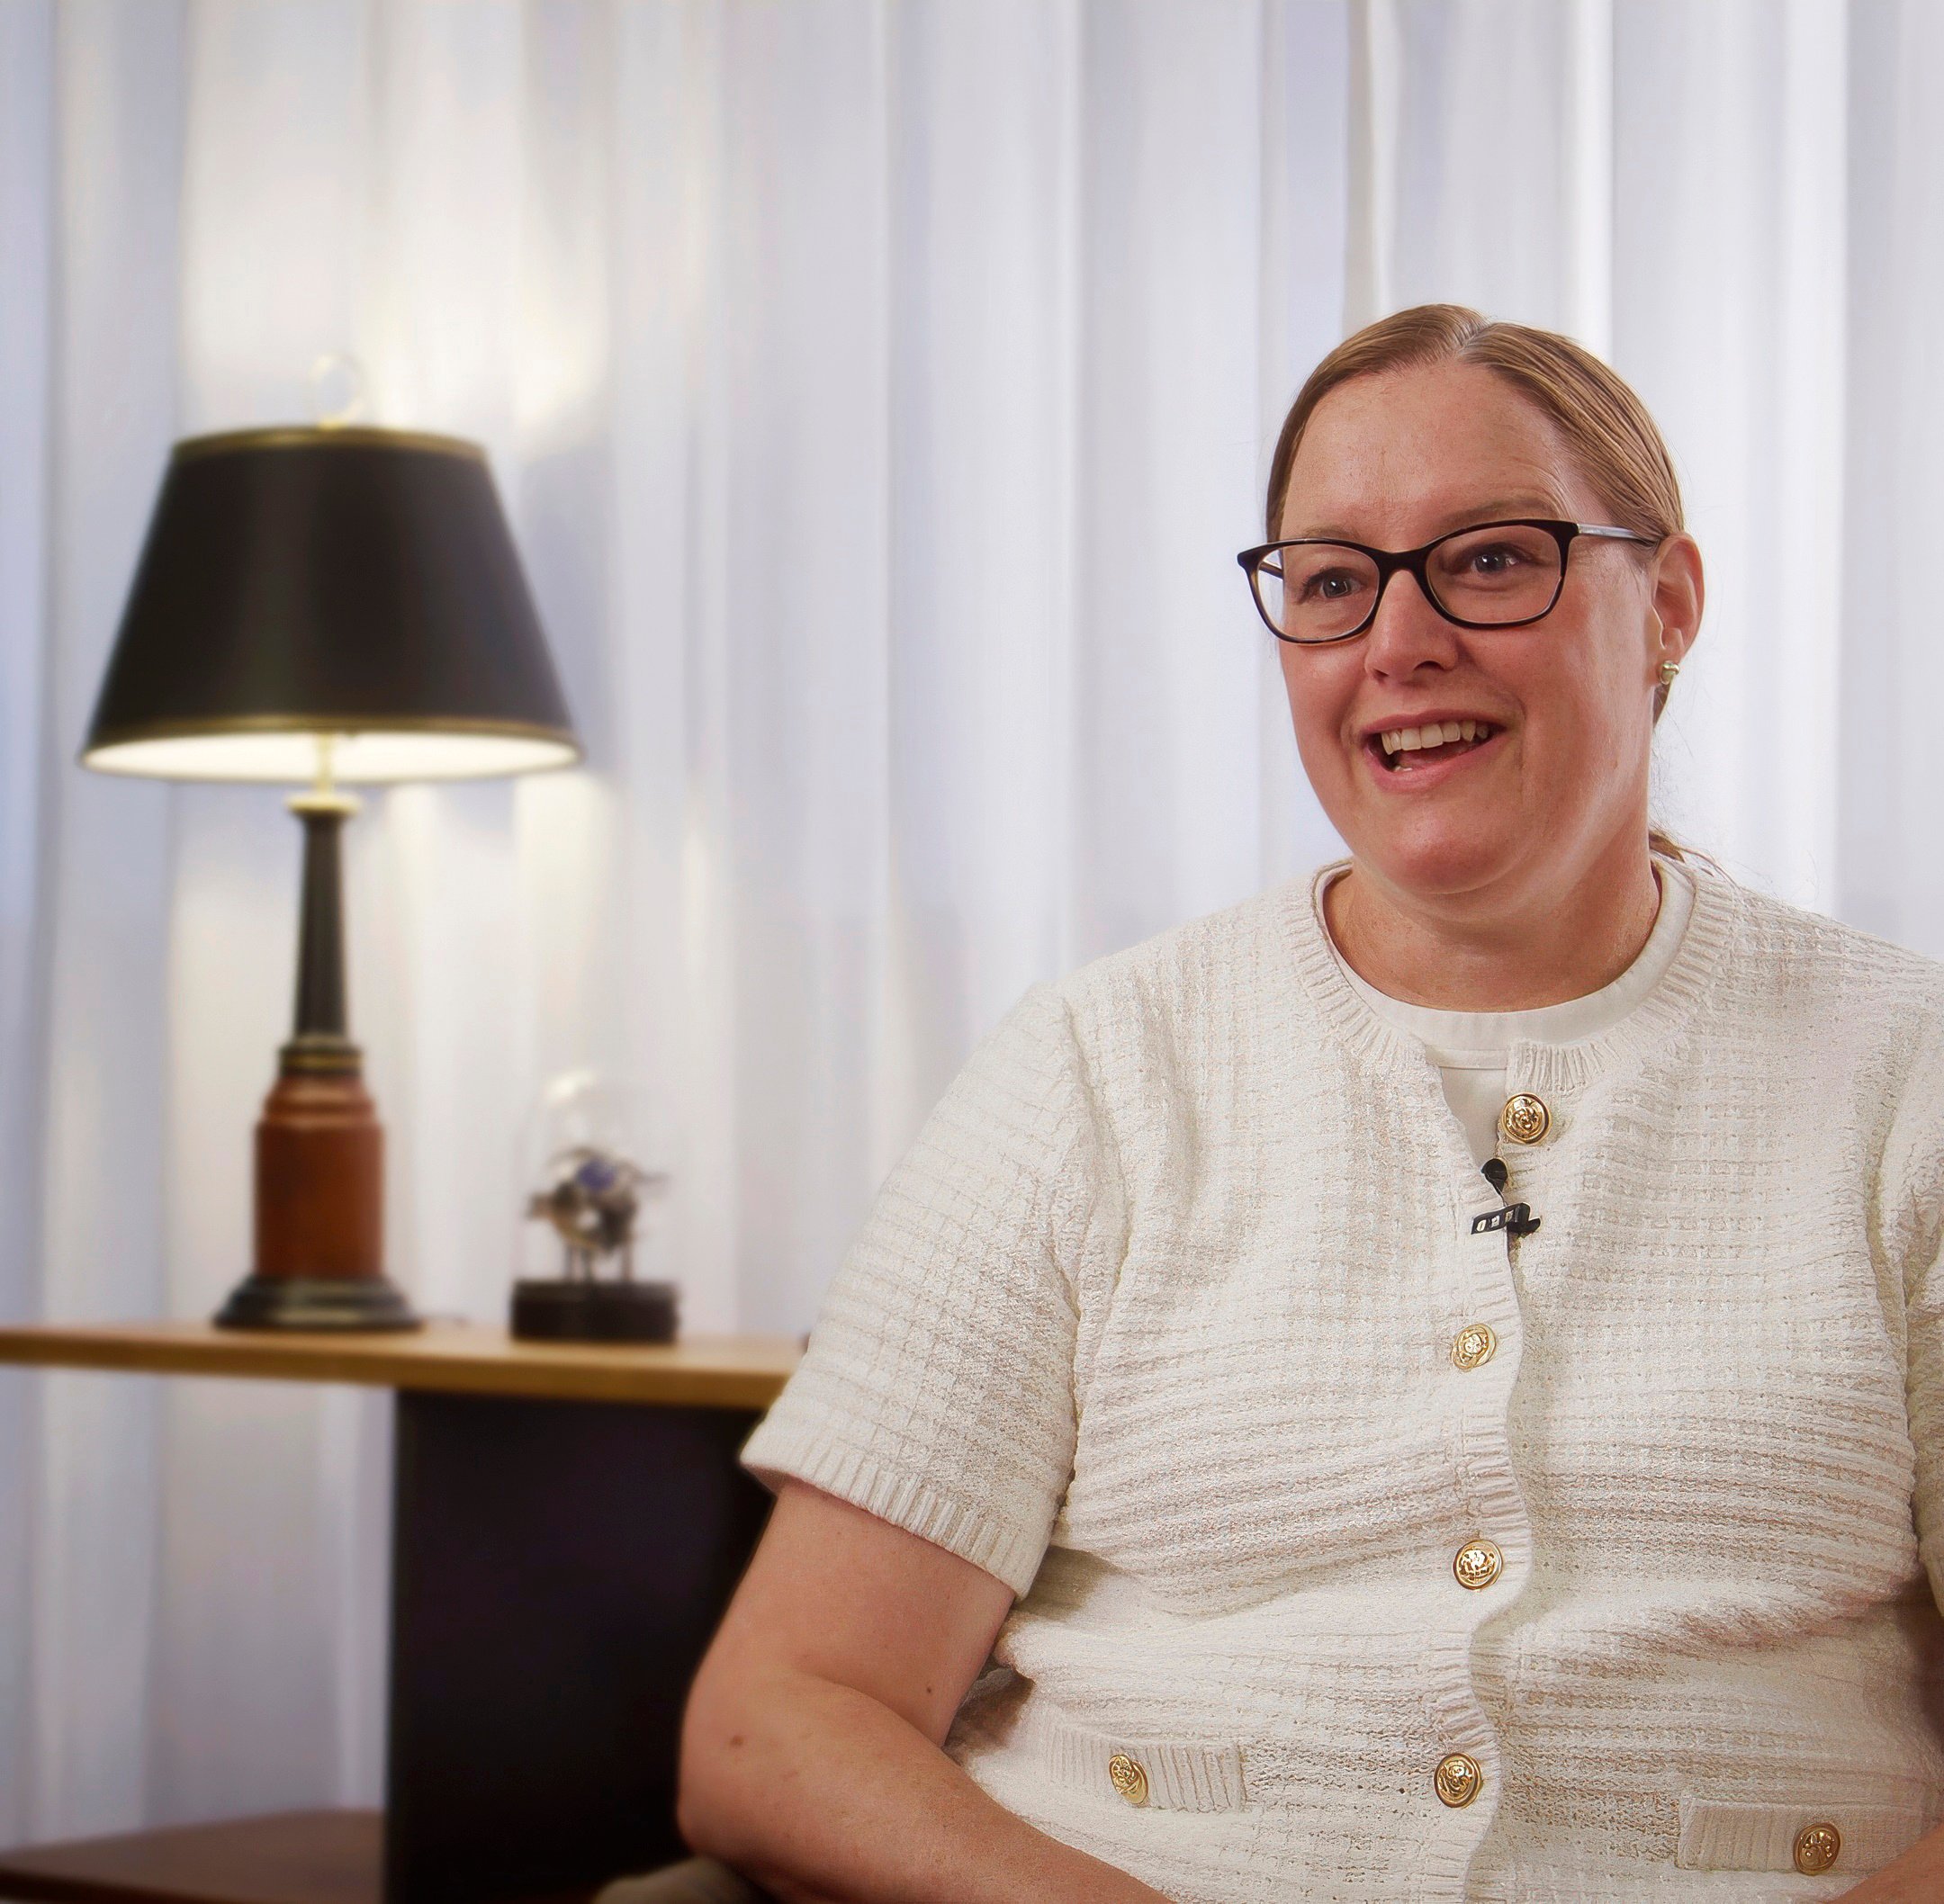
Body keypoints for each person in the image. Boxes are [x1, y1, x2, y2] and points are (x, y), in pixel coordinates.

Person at [653, 306, 1944, 1902]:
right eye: (1333, 583)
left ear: (1667, 603)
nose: (1399, 642)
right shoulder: (1093, 1072)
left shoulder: (1909, 1081)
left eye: (1487, 559)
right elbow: (777, 1721)